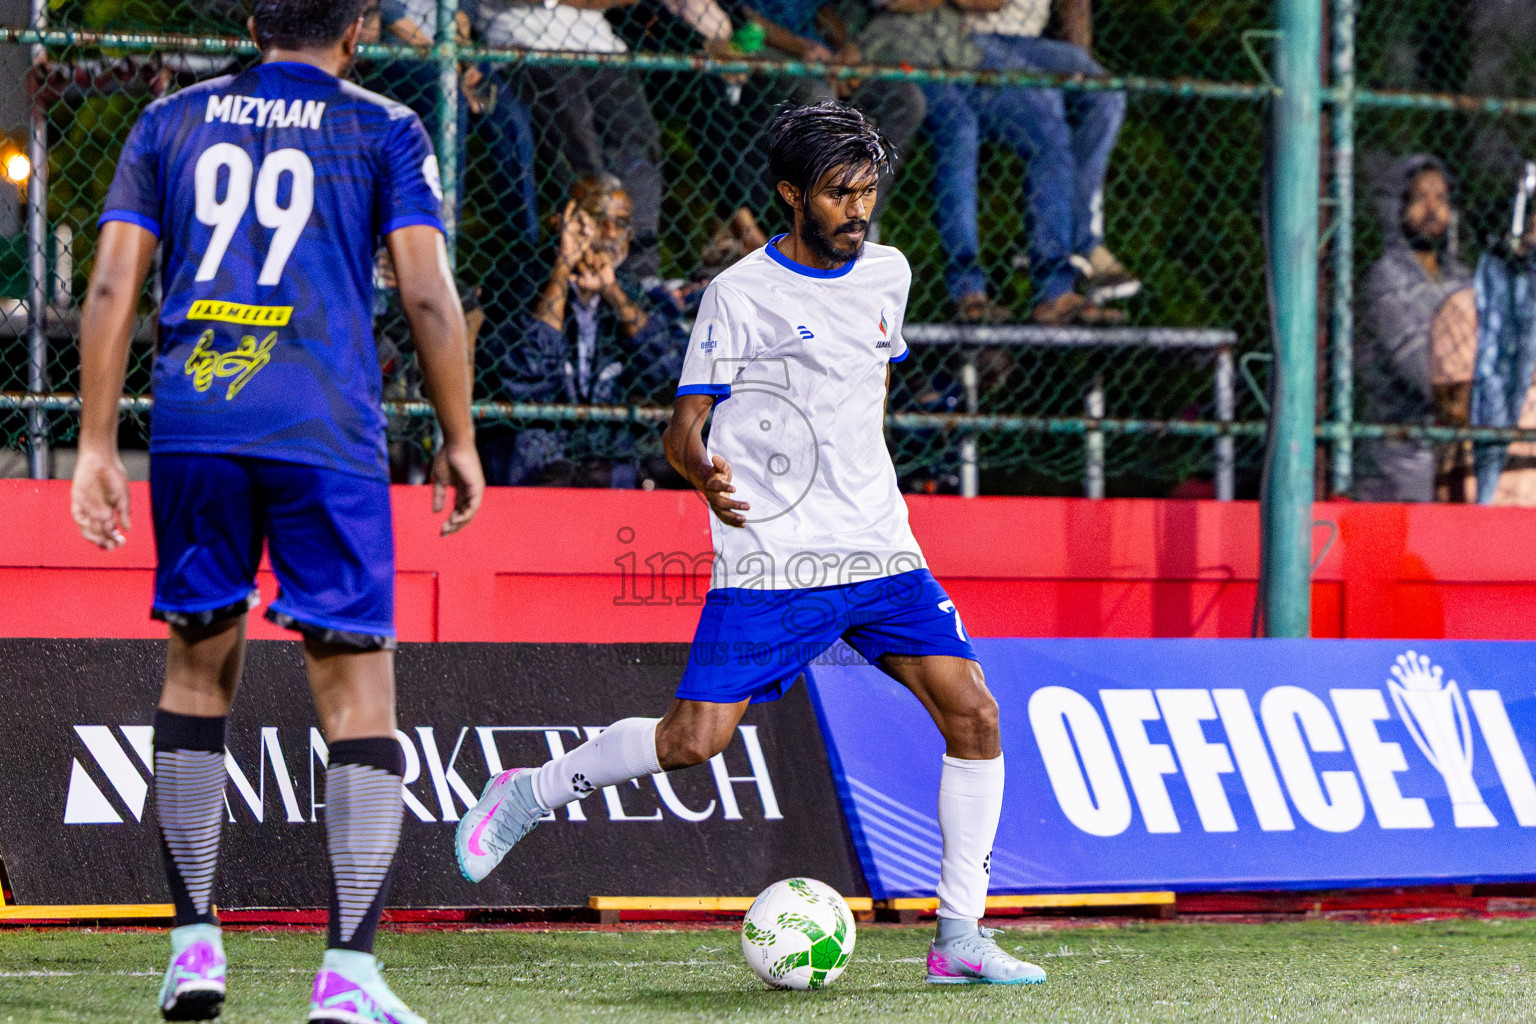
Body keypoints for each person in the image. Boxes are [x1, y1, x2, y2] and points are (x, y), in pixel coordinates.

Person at [454, 101, 1045, 987]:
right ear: (790, 195)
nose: (858, 210)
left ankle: (959, 936)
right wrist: (703, 470)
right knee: (694, 740)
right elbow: (683, 428)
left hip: (884, 552)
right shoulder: (739, 296)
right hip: (774, 560)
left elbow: (860, 399)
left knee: (976, 715)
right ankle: (531, 792)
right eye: (840, 193)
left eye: (868, 192)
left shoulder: (889, 272)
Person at [70, 3, 484, 1022]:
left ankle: (194, 948)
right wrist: (460, 435)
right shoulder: (385, 125)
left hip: (197, 422)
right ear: (359, 30)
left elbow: (113, 283)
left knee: (197, 669)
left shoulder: (171, 119)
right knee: (358, 696)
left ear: (255, 20)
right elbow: (429, 298)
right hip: (324, 428)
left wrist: (90, 442)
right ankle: (347, 969)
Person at [902, 0, 1133, 323]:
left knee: (1104, 95)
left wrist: (1079, 62)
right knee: (1044, 113)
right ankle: (1042, 282)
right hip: (967, 34)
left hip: (1030, 42)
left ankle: (1077, 245)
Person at [479, 173, 686, 487]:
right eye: (599, 219)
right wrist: (563, 266)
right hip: (536, 453)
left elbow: (669, 370)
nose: (612, 233)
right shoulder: (522, 280)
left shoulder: (630, 291)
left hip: (608, 454)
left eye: (622, 223)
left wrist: (613, 293)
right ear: (567, 223)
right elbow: (528, 372)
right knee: (530, 449)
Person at [1356, 155, 1476, 503]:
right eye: (1420, 198)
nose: (1432, 209)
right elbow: (1422, 370)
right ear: (1399, 208)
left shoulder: (1460, 277)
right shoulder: (1385, 278)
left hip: (1454, 444)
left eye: (1441, 198)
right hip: (1400, 455)